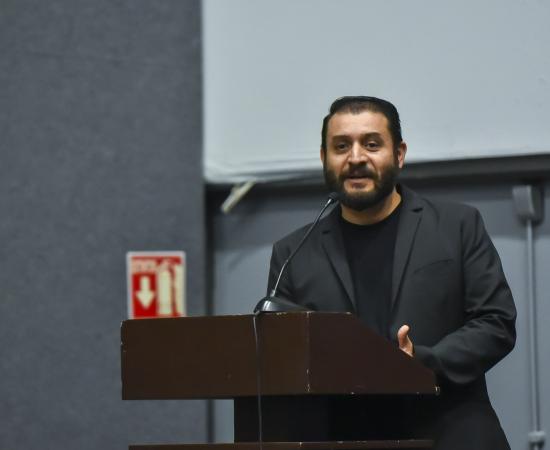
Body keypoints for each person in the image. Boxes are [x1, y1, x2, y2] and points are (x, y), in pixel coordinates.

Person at [266, 96, 516, 449]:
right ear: (324, 157)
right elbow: (283, 355)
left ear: (399, 154)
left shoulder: (457, 226)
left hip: (450, 430)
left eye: (371, 144)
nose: (356, 158)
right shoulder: (293, 253)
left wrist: (421, 362)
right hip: (344, 436)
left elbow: (495, 322)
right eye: (341, 146)